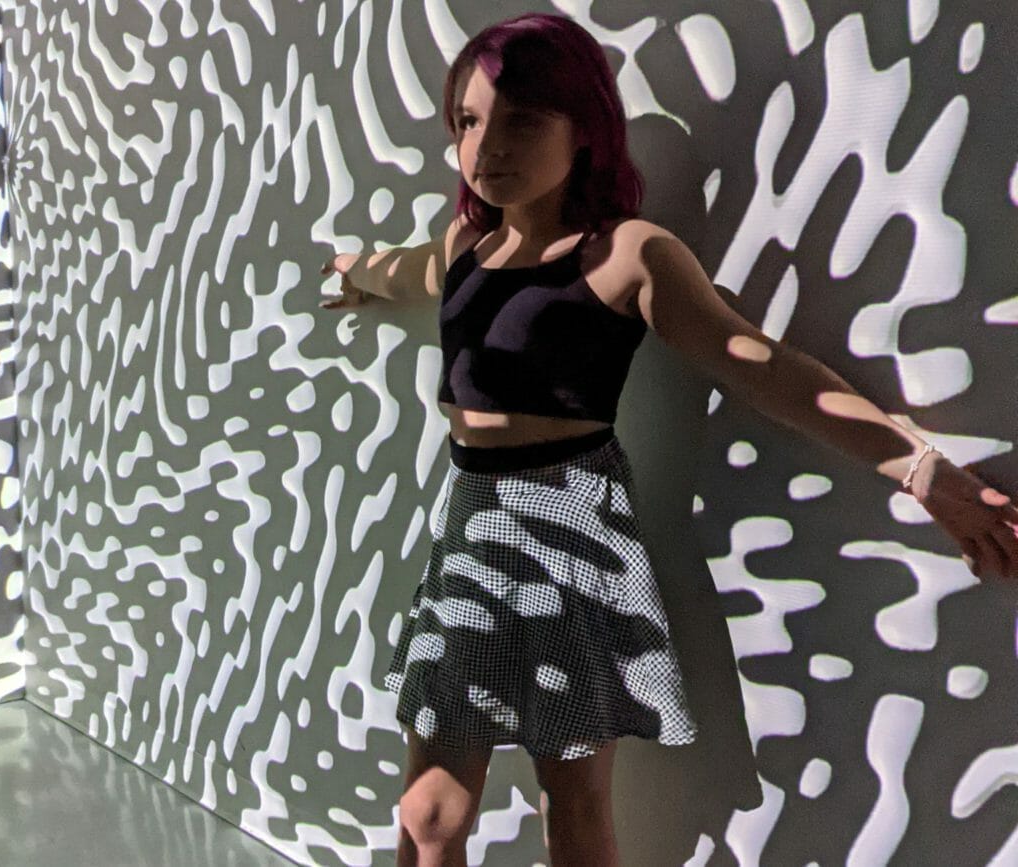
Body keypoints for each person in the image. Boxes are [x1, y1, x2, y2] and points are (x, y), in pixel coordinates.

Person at [318, 12, 1018, 867]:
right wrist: (353, 272)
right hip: (472, 534)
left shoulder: (626, 254)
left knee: (572, 806)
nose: (487, 145)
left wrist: (920, 469)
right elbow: (407, 269)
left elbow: (766, 369)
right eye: (468, 122)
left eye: (521, 119)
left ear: (585, 130)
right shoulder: (469, 243)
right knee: (429, 813)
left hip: (571, 529)